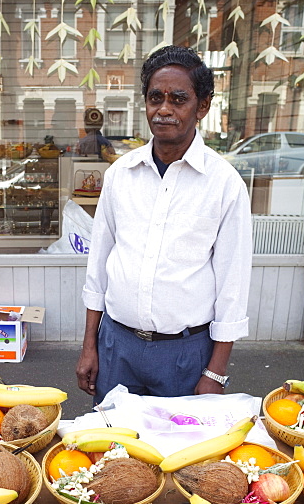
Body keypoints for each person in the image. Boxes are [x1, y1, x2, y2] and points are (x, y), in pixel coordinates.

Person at [76, 45, 253, 404]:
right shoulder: (120, 175)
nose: (164, 109)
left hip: (184, 356)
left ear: (202, 106)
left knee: (177, 457)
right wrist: (89, 347)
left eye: (179, 99)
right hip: (116, 348)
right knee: (112, 451)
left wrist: (215, 373)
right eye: (156, 97)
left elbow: (232, 286)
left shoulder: (224, 184)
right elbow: (99, 267)